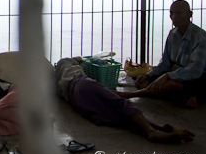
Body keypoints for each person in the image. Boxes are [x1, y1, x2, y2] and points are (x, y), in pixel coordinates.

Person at [55, 57, 194, 143]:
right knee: (120, 105)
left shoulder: (58, 82)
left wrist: (136, 93)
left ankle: (158, 128)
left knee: (114, 114)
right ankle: (153, 131)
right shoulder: (65, 63)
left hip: (75, 100)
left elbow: (109, 93)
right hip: (81, 83)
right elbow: (79, 59)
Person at [118, 0, 206, 108]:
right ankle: (184, 97)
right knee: (143, 82)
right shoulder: (172, 34)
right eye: (171, 13)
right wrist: (149, 74)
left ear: (190, 14)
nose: (174, 17)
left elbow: (195, 70)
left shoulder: (200, 37)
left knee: (170, 85)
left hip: (198, 77)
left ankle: (130, 95)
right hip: (177, 73)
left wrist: (168, 76)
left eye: (178, 13)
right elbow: (165, 63)